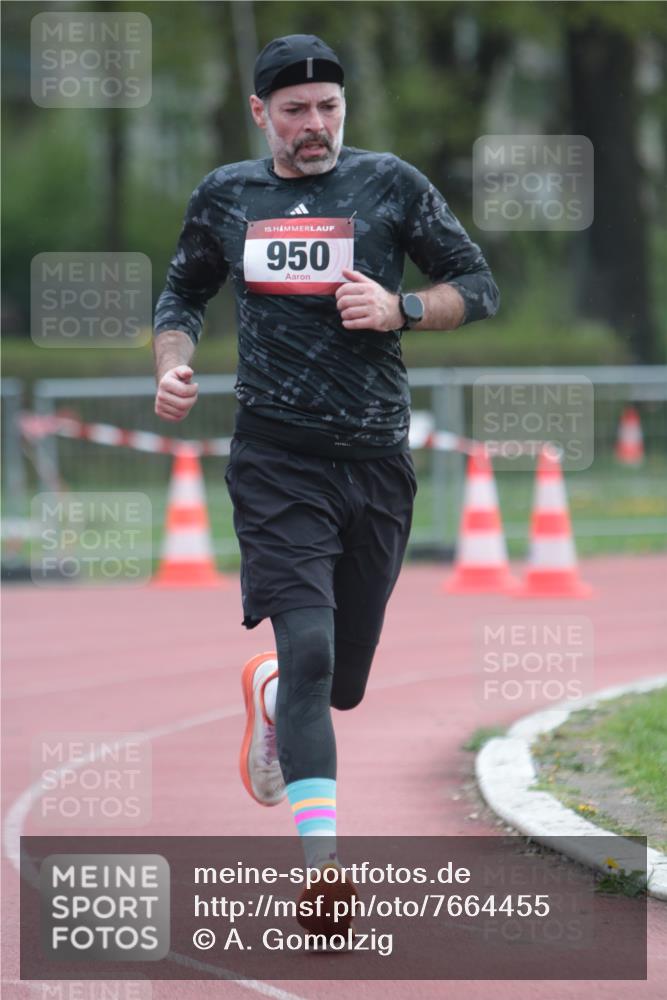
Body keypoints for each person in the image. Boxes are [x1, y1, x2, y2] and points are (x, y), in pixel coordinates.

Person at [153, 34, 499, 935]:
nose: (315, 125)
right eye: (296, 110)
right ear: (260, 113)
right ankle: (323, 875)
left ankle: (273, 700)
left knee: (339, 685)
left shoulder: (389, 185)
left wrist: (401, 307)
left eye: (329, 108)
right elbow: (181, 294)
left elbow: (477, 284)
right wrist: (172, 365)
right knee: (307, 650)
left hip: (377, 464)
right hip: (276, 463)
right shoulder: (227, 196)